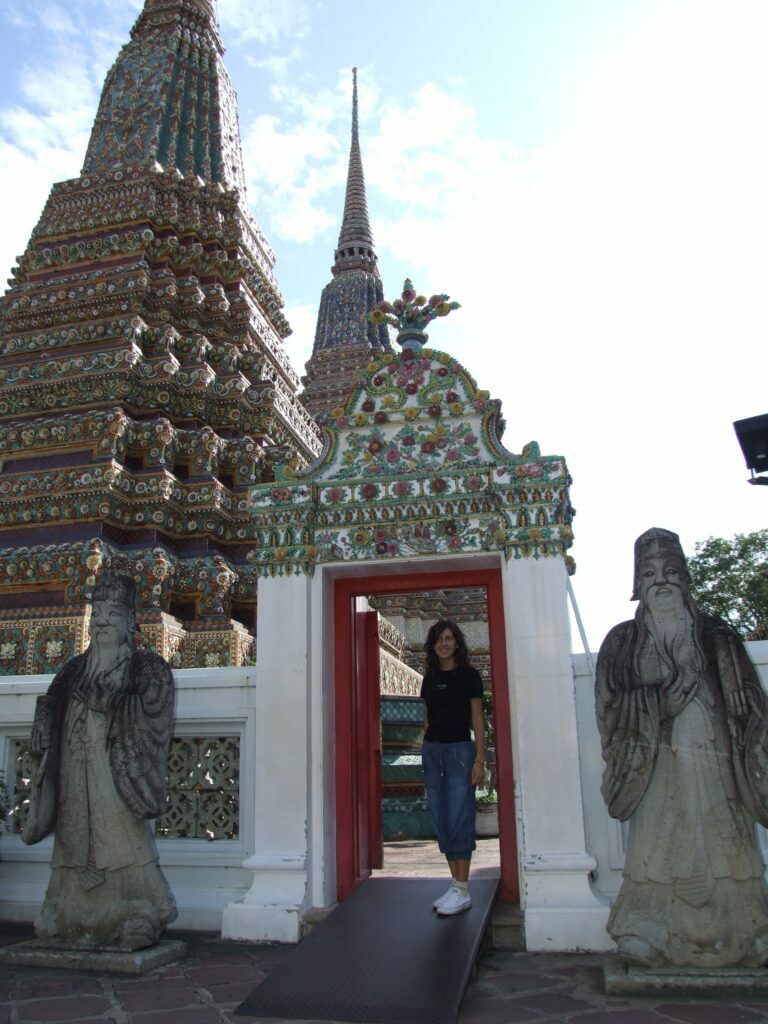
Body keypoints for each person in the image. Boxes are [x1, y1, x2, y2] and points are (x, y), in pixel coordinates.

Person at [596, 527, 768, 966]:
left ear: (687, 578)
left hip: (718, 764)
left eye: (672, 571)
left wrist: (739, 712)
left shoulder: (718, 636)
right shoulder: (621, 643)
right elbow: (609, 706)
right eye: (650, 573)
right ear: (637, 584)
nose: (662, 582)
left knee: (726, 844)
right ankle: (646, 928)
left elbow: (752, 708)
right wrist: (655, 706)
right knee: (656, 845)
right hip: (654, 767)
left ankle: (750, 929)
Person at [24, 571, 177, 950]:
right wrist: (45, 722)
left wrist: (109, 703)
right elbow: (51, 702)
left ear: (130, 622)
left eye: (113, 614)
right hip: (74, 769)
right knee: (74, 838)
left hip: (116, 771)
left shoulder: (146, 667)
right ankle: (63, 912)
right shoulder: (74, 669)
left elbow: (155, 710)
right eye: (98, 614)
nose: (103, 621)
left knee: (121, 839)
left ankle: (139, 911)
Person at [420, 619, 486, 916]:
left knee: (460, 812)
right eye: (438, 639)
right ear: (433, 645)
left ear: (457, 642)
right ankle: (455, 885)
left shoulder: (469, 676)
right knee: (440, 813)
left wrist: (480, 759)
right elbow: (427, 718)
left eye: (448, 638)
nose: (444, 643)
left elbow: (477, 720)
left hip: (460, 750)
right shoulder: (430, 677)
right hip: (433, 750)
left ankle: (462, 888)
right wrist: (428, 746)